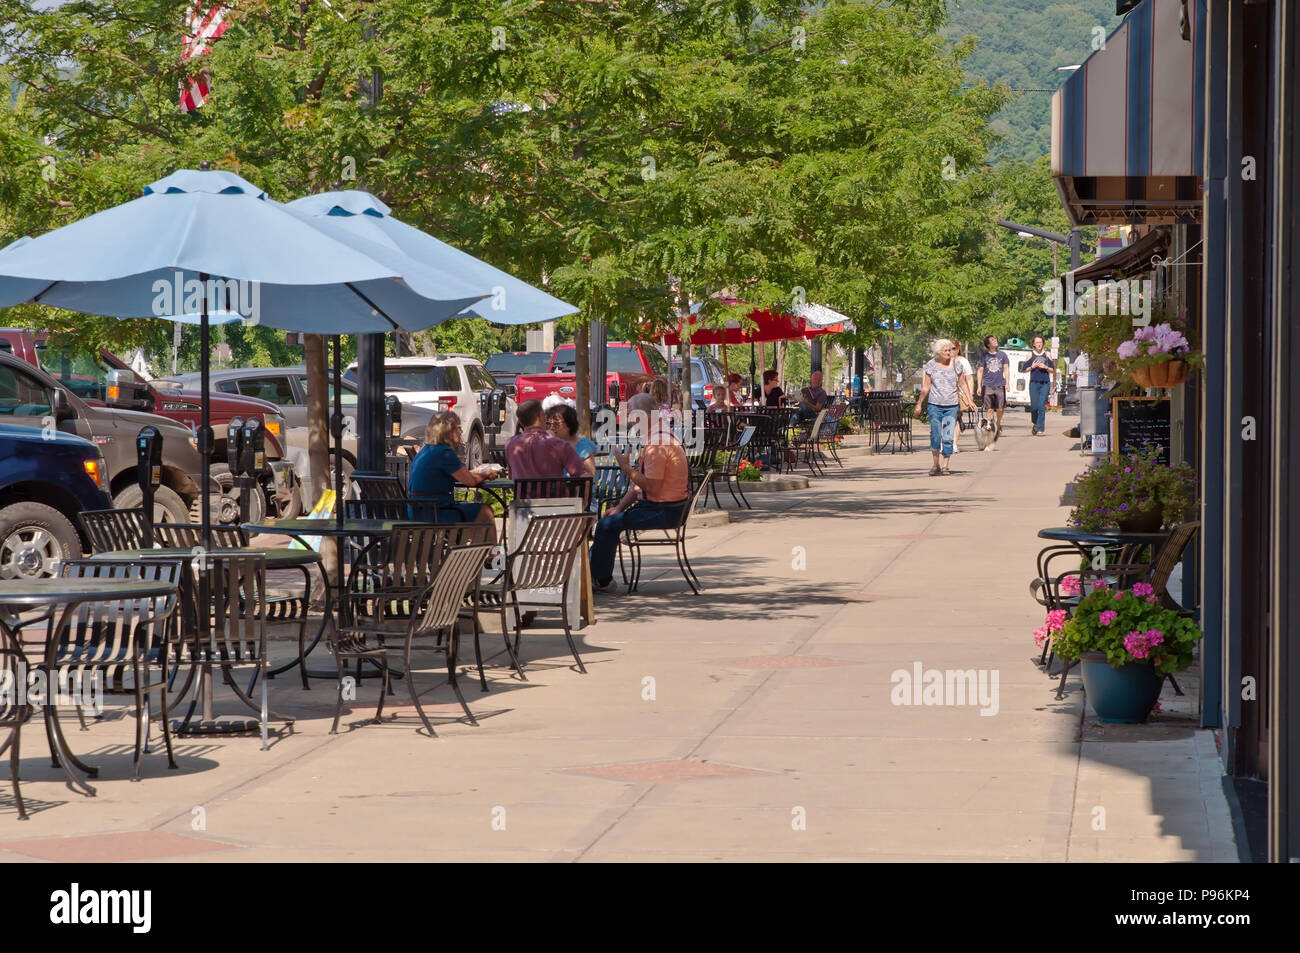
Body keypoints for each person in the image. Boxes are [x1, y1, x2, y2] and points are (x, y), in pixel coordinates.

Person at [589, 403, 690, 593]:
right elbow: (640, 487)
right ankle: (594, 574)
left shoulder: (658, 443)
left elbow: (651, 486)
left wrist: (626, 469)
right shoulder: (659, 437)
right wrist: (619, 507)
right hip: (665, 507)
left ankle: (599, 580)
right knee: (609, 521)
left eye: (630, 415)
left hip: (665, 511)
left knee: (606, 525)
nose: (628, 421)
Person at [407, 411, 499, 538]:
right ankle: (492, 555)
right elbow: (470, 481)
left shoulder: (426, 451)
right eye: (459, 428)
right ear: (449, 431)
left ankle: (477, 554)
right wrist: (486, 473)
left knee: (478, 517)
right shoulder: (444, 452)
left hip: (418, 513)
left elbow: (459, 475)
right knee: (485, 512)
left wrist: (478, 470)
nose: (461, 432)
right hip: (436, 515)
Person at [505, 398, 593, 479]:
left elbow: (511, 476)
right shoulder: (559, 445)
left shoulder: (510, 444)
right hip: (556, 495)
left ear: (520, 422)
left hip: (522, 496)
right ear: (541, 416)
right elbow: (582, 475)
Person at [914, 339, 961, 476]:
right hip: (934, 405)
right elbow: (926, 386)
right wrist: (919, 403)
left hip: (951, 405)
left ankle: (946, 465)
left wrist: (970, 400)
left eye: (950, 350)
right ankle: (936, 465)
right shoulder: (931, 365)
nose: (949, 352)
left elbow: (962, 383)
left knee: (947, 435)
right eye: (946, 350)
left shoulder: (956, 365)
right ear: (938, 353)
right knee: (936, 434)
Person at [1019, 334, 1057, 436]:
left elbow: (1053, 370)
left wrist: (1045, 367)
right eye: (1037, 343)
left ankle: (1040, 429)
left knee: (1041, 406)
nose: (1039, 344)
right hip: (1034, 383)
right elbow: (1023, 370)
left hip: (1045, 383)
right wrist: (1032, 366)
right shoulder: (1030, 355)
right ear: (1033, 344)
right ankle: (1035, 423)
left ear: (1043, 343)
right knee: (1034, 407)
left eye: (1040, 342)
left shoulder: (1047, 354)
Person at [545, 401, 598, 474]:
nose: (551, 428)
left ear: (569, 424)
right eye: (548, 424)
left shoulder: (584, 445)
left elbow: (589, 474)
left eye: (556, 424)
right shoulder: (546, 444)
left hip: (573, 484)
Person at [975, 334, 1011, 437]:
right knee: (989, 408)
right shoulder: (984, 356)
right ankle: (991, 426)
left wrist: (1007, 383)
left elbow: (1006, 369)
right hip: (987, 385)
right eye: (992, 340)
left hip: (1000, 385)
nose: (995, 341)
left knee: (1000, 408)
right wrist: (979, 385)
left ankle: (998, 423)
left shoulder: (1002, 355)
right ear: (988, 344)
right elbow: (980, 370)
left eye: (995, 339)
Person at [950, 340, 974, 455]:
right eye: (949, 348)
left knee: (957, 418)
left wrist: (970, 396)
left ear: (958, 349)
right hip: (945, 395)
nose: (952, 350)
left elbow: (969, 379)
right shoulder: (942, 362)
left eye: (954, 348)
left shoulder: (963, 362)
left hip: (959, 394)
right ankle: (943, 442)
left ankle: (954, 444)